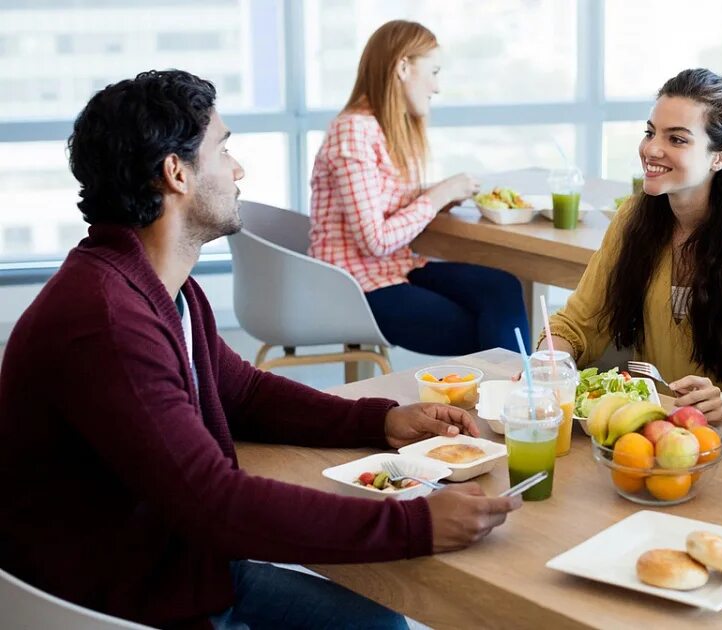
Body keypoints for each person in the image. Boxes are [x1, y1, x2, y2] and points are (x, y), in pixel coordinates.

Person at [0, 70, 522, 629]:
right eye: (223, 150)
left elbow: (243, 392)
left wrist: (385, 422)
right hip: (122, 605)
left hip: (178, 570)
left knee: (382, 625)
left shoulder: (160, 288)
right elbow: (214, 504)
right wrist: (416, 524)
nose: (238, 169)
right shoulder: (106, 321)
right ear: (176, 174)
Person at [542, 68, 722, 425]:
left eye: (677, 140)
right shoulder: (633, 216)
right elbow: (576, 324)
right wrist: (548, 363)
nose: (652, 149)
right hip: (654, 427)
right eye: (651, 133)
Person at [310, 20, 530, 355]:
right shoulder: (353, 130)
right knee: (485, 330)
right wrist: (437, 194)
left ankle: (512, 397)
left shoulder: (384, 130)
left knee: (503, 288)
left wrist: (440, 196)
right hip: (357, 287)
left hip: (397, 269)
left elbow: (381, 202)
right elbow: (375, 240)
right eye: (434, 71)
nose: (437, 87)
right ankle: (514, 399)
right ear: (402, 67)